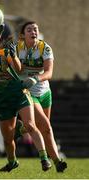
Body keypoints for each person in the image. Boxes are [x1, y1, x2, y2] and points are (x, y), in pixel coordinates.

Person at [0, 24, 51, 172]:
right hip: (3, 100)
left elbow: (18, 68)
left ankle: (44, 158)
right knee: (8, 138)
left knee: (30, 124)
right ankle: (12, 162)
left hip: (19, 92)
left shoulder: (4, 53)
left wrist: (14, 56)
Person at [15, 21, 67, 172]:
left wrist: (36, 78)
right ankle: (57, 162)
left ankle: (23, 128)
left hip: (45, 92)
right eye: (29, 29)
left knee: (44, 129)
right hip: (28, 93)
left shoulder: (45, 48)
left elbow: (49, 72)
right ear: (23, 35)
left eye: (36, 29)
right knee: (46, 126)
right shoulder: (17, 48)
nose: (34, 32)